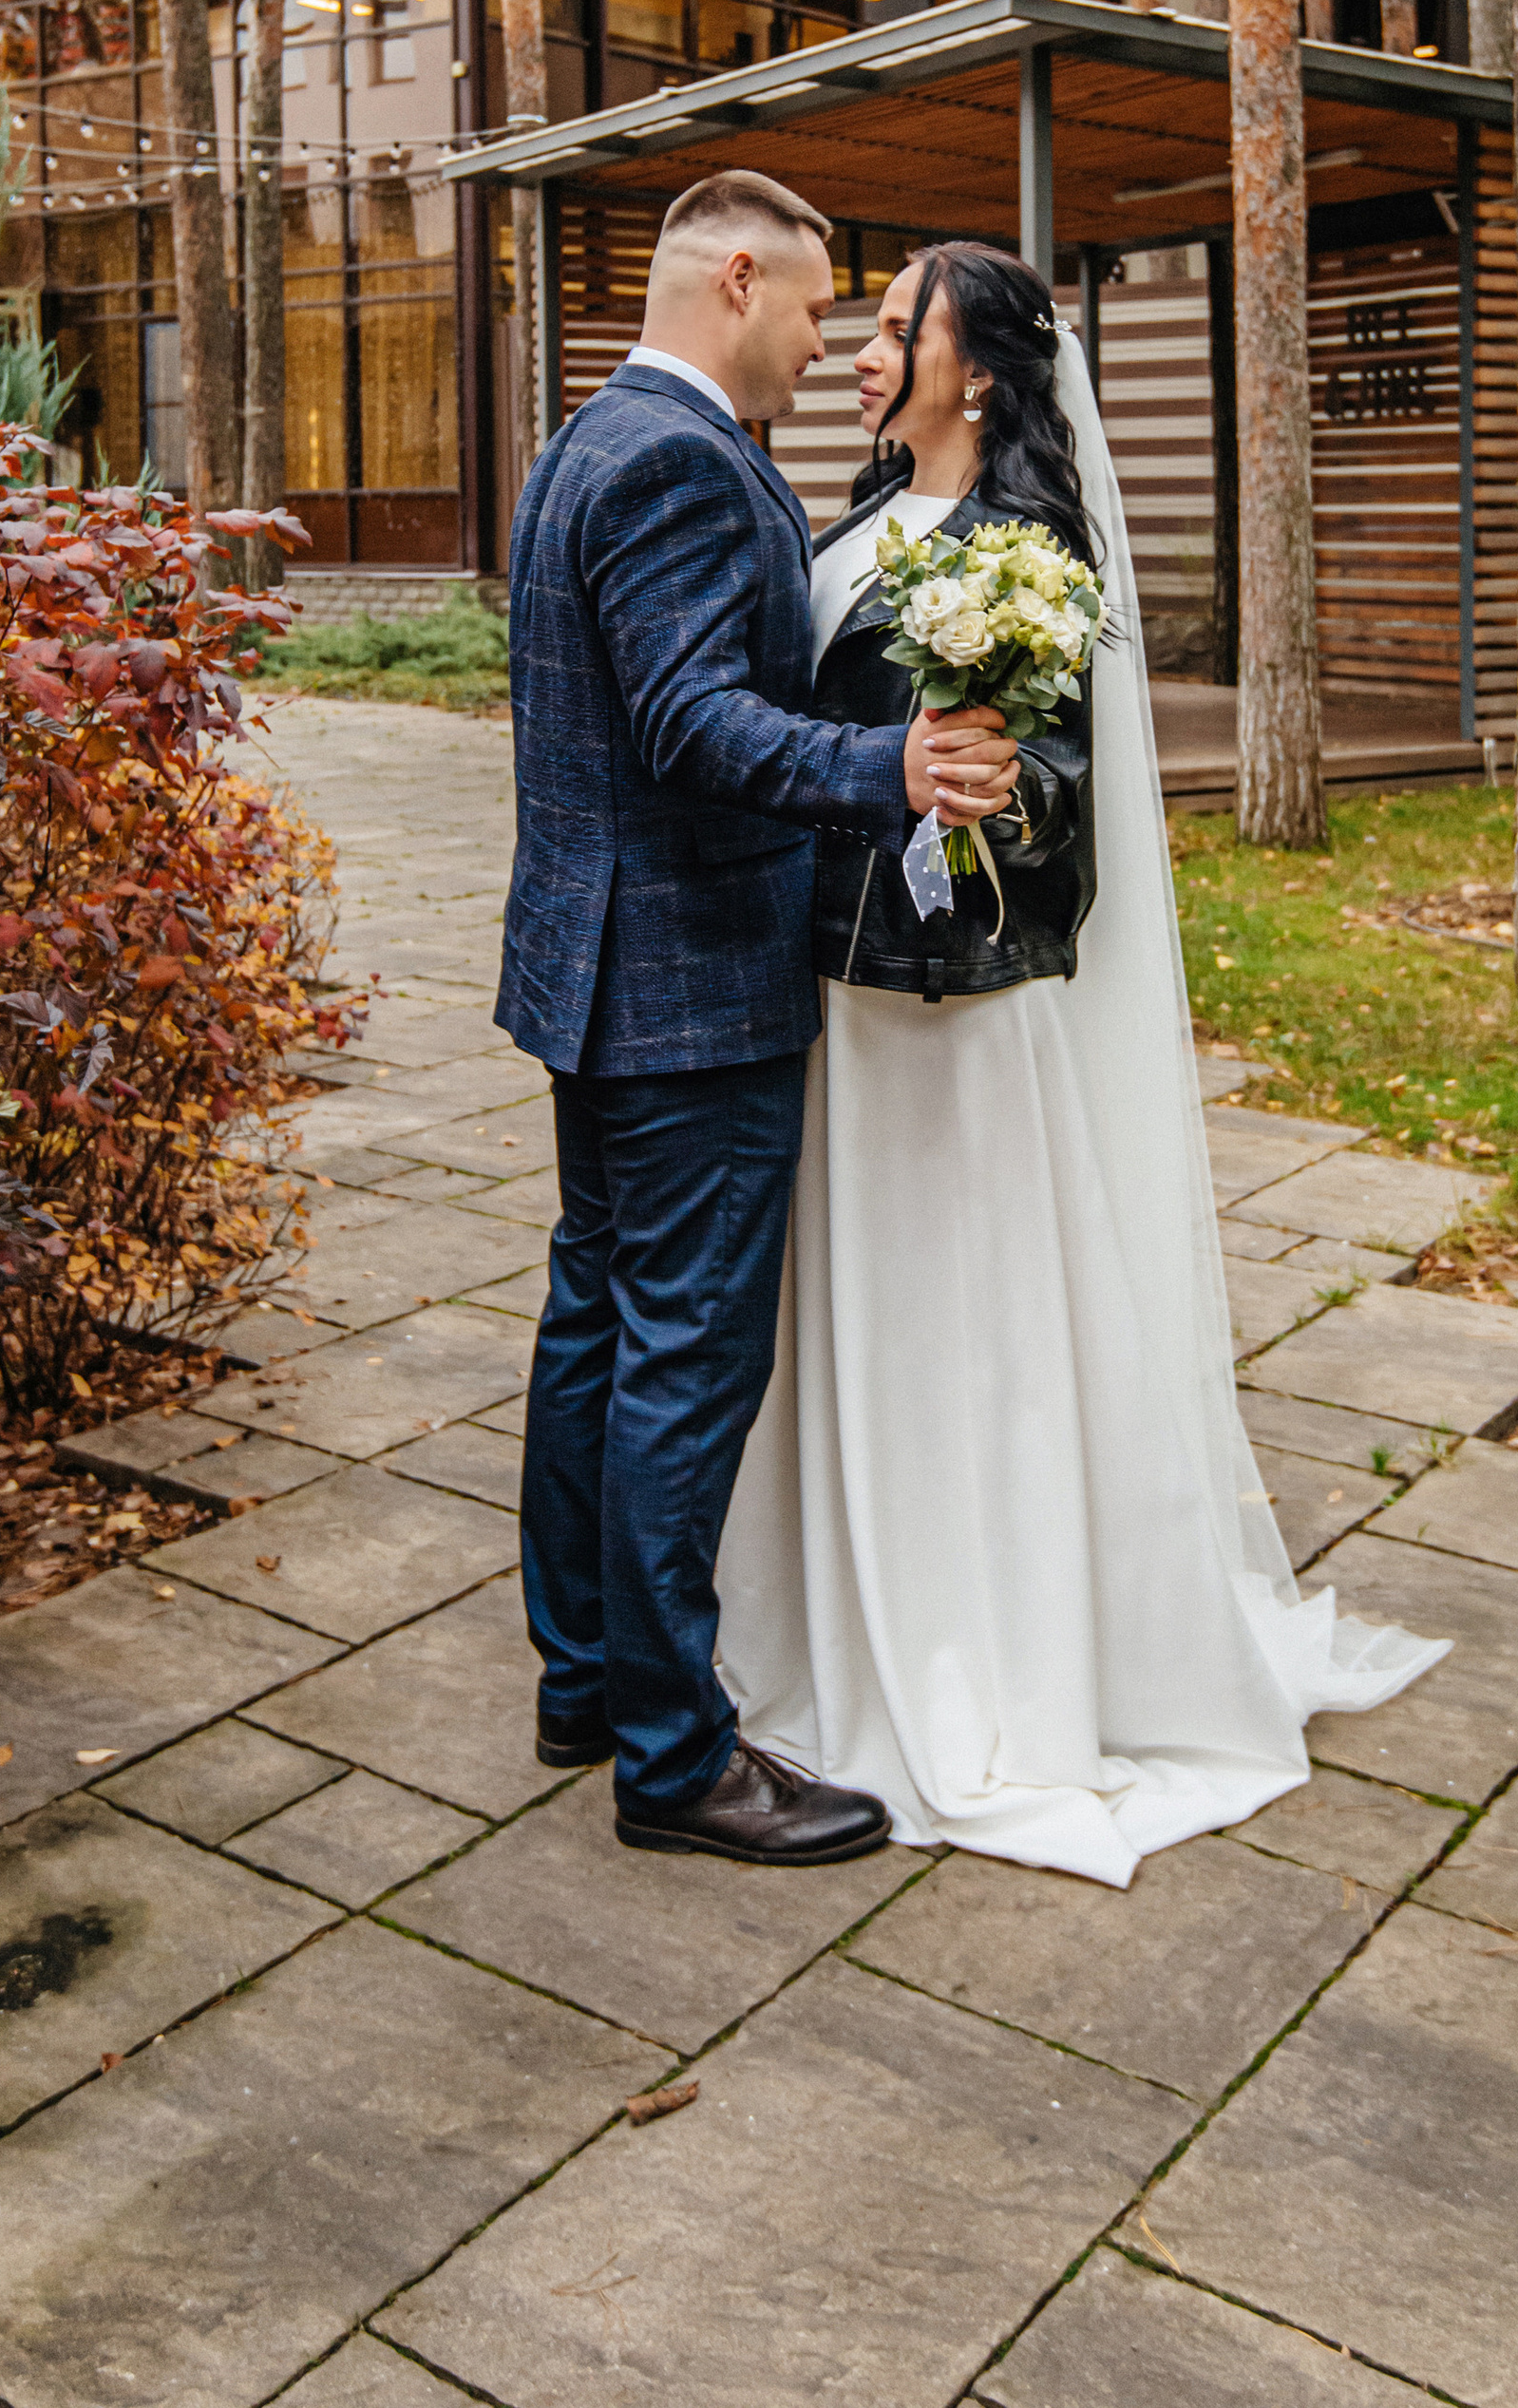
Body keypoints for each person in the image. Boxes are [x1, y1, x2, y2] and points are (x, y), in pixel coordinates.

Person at [715, 240, 1448, 1885]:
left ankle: (983, 1649)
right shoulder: (849, 526)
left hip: (951, 1024)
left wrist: (982, 795)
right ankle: (832, 1621)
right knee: (850, 1316)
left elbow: (1057, 787)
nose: (864, 346)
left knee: (962, 1329)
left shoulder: (1027, 550)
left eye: (897, 326)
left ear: (973, 370)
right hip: (838, 1008)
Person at [498, 170, 1020, 1865]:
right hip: (686, 988)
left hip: (598, 972)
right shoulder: (673, 458)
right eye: (811, 311)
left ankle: (584, 1677)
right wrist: (892, 765)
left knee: (596, 1319)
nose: (821, 350)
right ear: (737, 278)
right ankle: (674, 1757)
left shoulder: (582, 440)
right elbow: (692, 724)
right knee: (680, 1358)